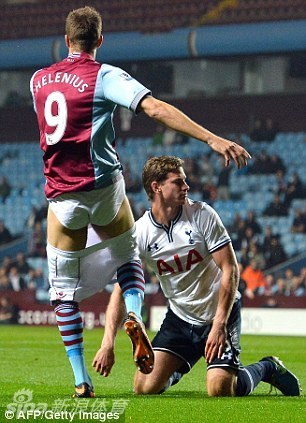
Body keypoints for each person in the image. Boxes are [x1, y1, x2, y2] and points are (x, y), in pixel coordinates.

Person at [30, 6, 251, 398]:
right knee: (128, 257)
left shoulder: (38, 81)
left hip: (63, 196)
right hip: (104, 187)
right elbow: (155, 109)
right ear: (99, 40)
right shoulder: (104, 75)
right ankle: (135, 313)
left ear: (66, 41)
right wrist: (211, 139)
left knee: (63, 291)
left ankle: (82, 381)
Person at [92, 156, 300, 397]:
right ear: (156, 187)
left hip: (220, 312)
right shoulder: (140, 233)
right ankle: (178, 364)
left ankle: (267, 368)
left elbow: (230, 269)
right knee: (144, 387)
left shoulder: (202, 214)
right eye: (178, 182)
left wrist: (220, 324)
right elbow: (121, 290)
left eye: (185, 181)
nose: (186, 186)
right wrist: (107, 344)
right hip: (180, 319)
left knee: (220, 389)